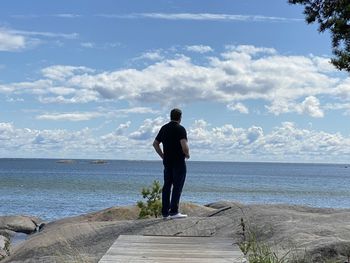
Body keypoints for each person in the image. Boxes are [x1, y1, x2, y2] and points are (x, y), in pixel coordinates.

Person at [153, 108, 190, 219]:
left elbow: (155, 144)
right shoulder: (180, 129)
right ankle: (174, 211)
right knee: (177, 186)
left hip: (167, 162)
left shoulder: (164, 128)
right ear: (180, 117)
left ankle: (165, 213)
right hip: (178, 161)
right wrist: (187, 154)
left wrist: (163, 156)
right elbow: (184, 144)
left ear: (171, 116)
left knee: (167, 186)